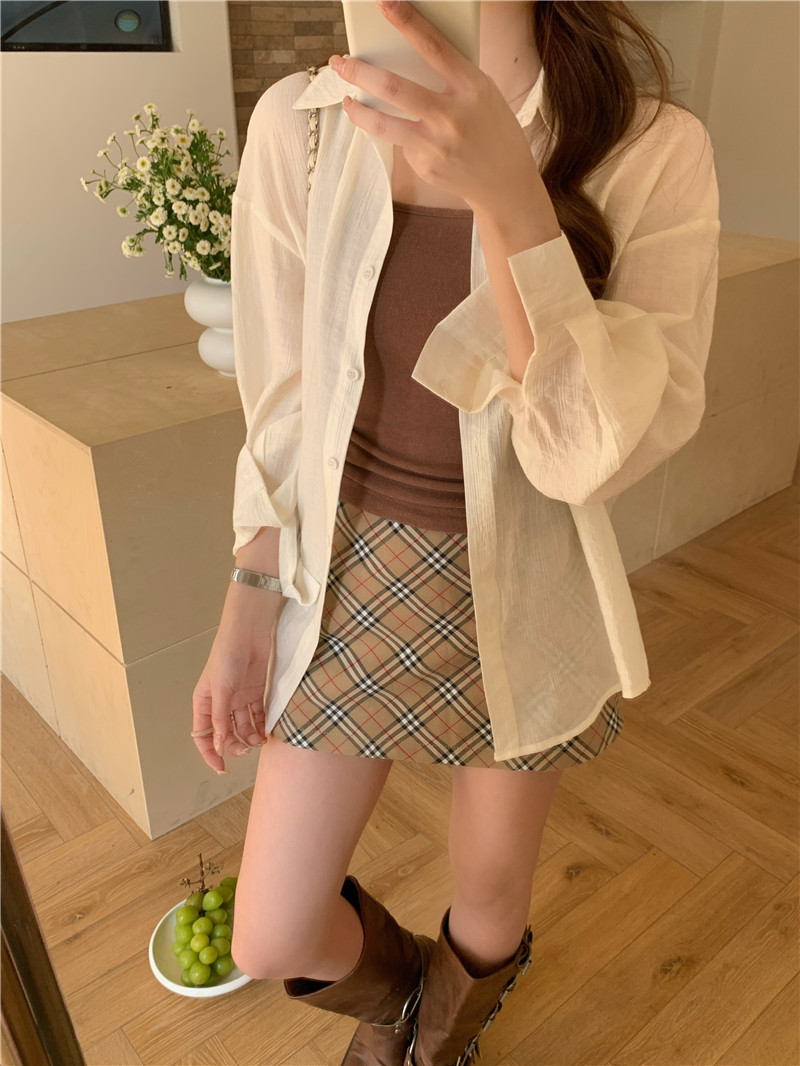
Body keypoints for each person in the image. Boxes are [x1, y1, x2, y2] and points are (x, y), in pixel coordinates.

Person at [192, 1, 720, 1063]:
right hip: (344, 573)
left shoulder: (654, 149)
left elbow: (586, 459)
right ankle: (406, 1002)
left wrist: (509, 196)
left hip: (524, 587)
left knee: (489, 893)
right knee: (271, 931)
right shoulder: (302, 125)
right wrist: (248, 595)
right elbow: (284, 398)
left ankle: (440, 1037)